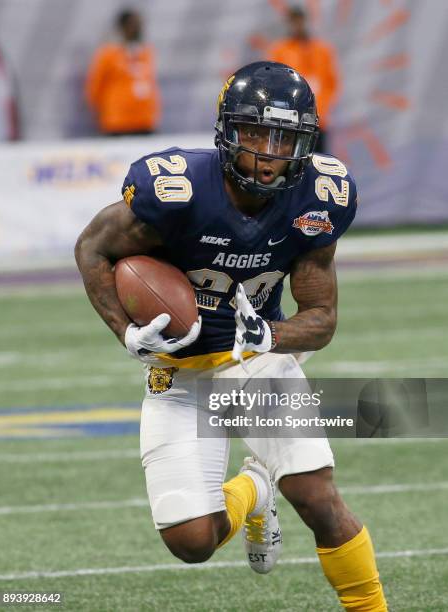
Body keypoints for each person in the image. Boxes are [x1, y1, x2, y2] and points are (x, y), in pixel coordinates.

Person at [75, 61, 387, 610]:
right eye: (256, 135)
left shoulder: (319, 197)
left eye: (284, 138)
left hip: (253, 361)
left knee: (316, 497)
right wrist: (127, 333)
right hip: (179, 376)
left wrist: (267, 334)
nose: (269, 154)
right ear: (226, 134)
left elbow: (322, 317)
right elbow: (92, 248)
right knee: (191, 541)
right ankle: (255, 490)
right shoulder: (176, 190)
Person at [267, 6, 339, 153]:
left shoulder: (323, 50)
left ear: (305, 21)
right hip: (289, 121)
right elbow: (273, 83)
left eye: (299, 21)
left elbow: (331, 84)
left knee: (317, 161)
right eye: (293, 22)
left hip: (317, 120)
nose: (297, 26)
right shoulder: (280, 50)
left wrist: (320, 109)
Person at [85, 9, 160, 136]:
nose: (137, 29)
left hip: (144, 119)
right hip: (117, 120)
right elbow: (95, 86)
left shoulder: (145, 52)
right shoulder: (108, 54)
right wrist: (99, 112)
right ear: (122, 27)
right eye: (133, 24)